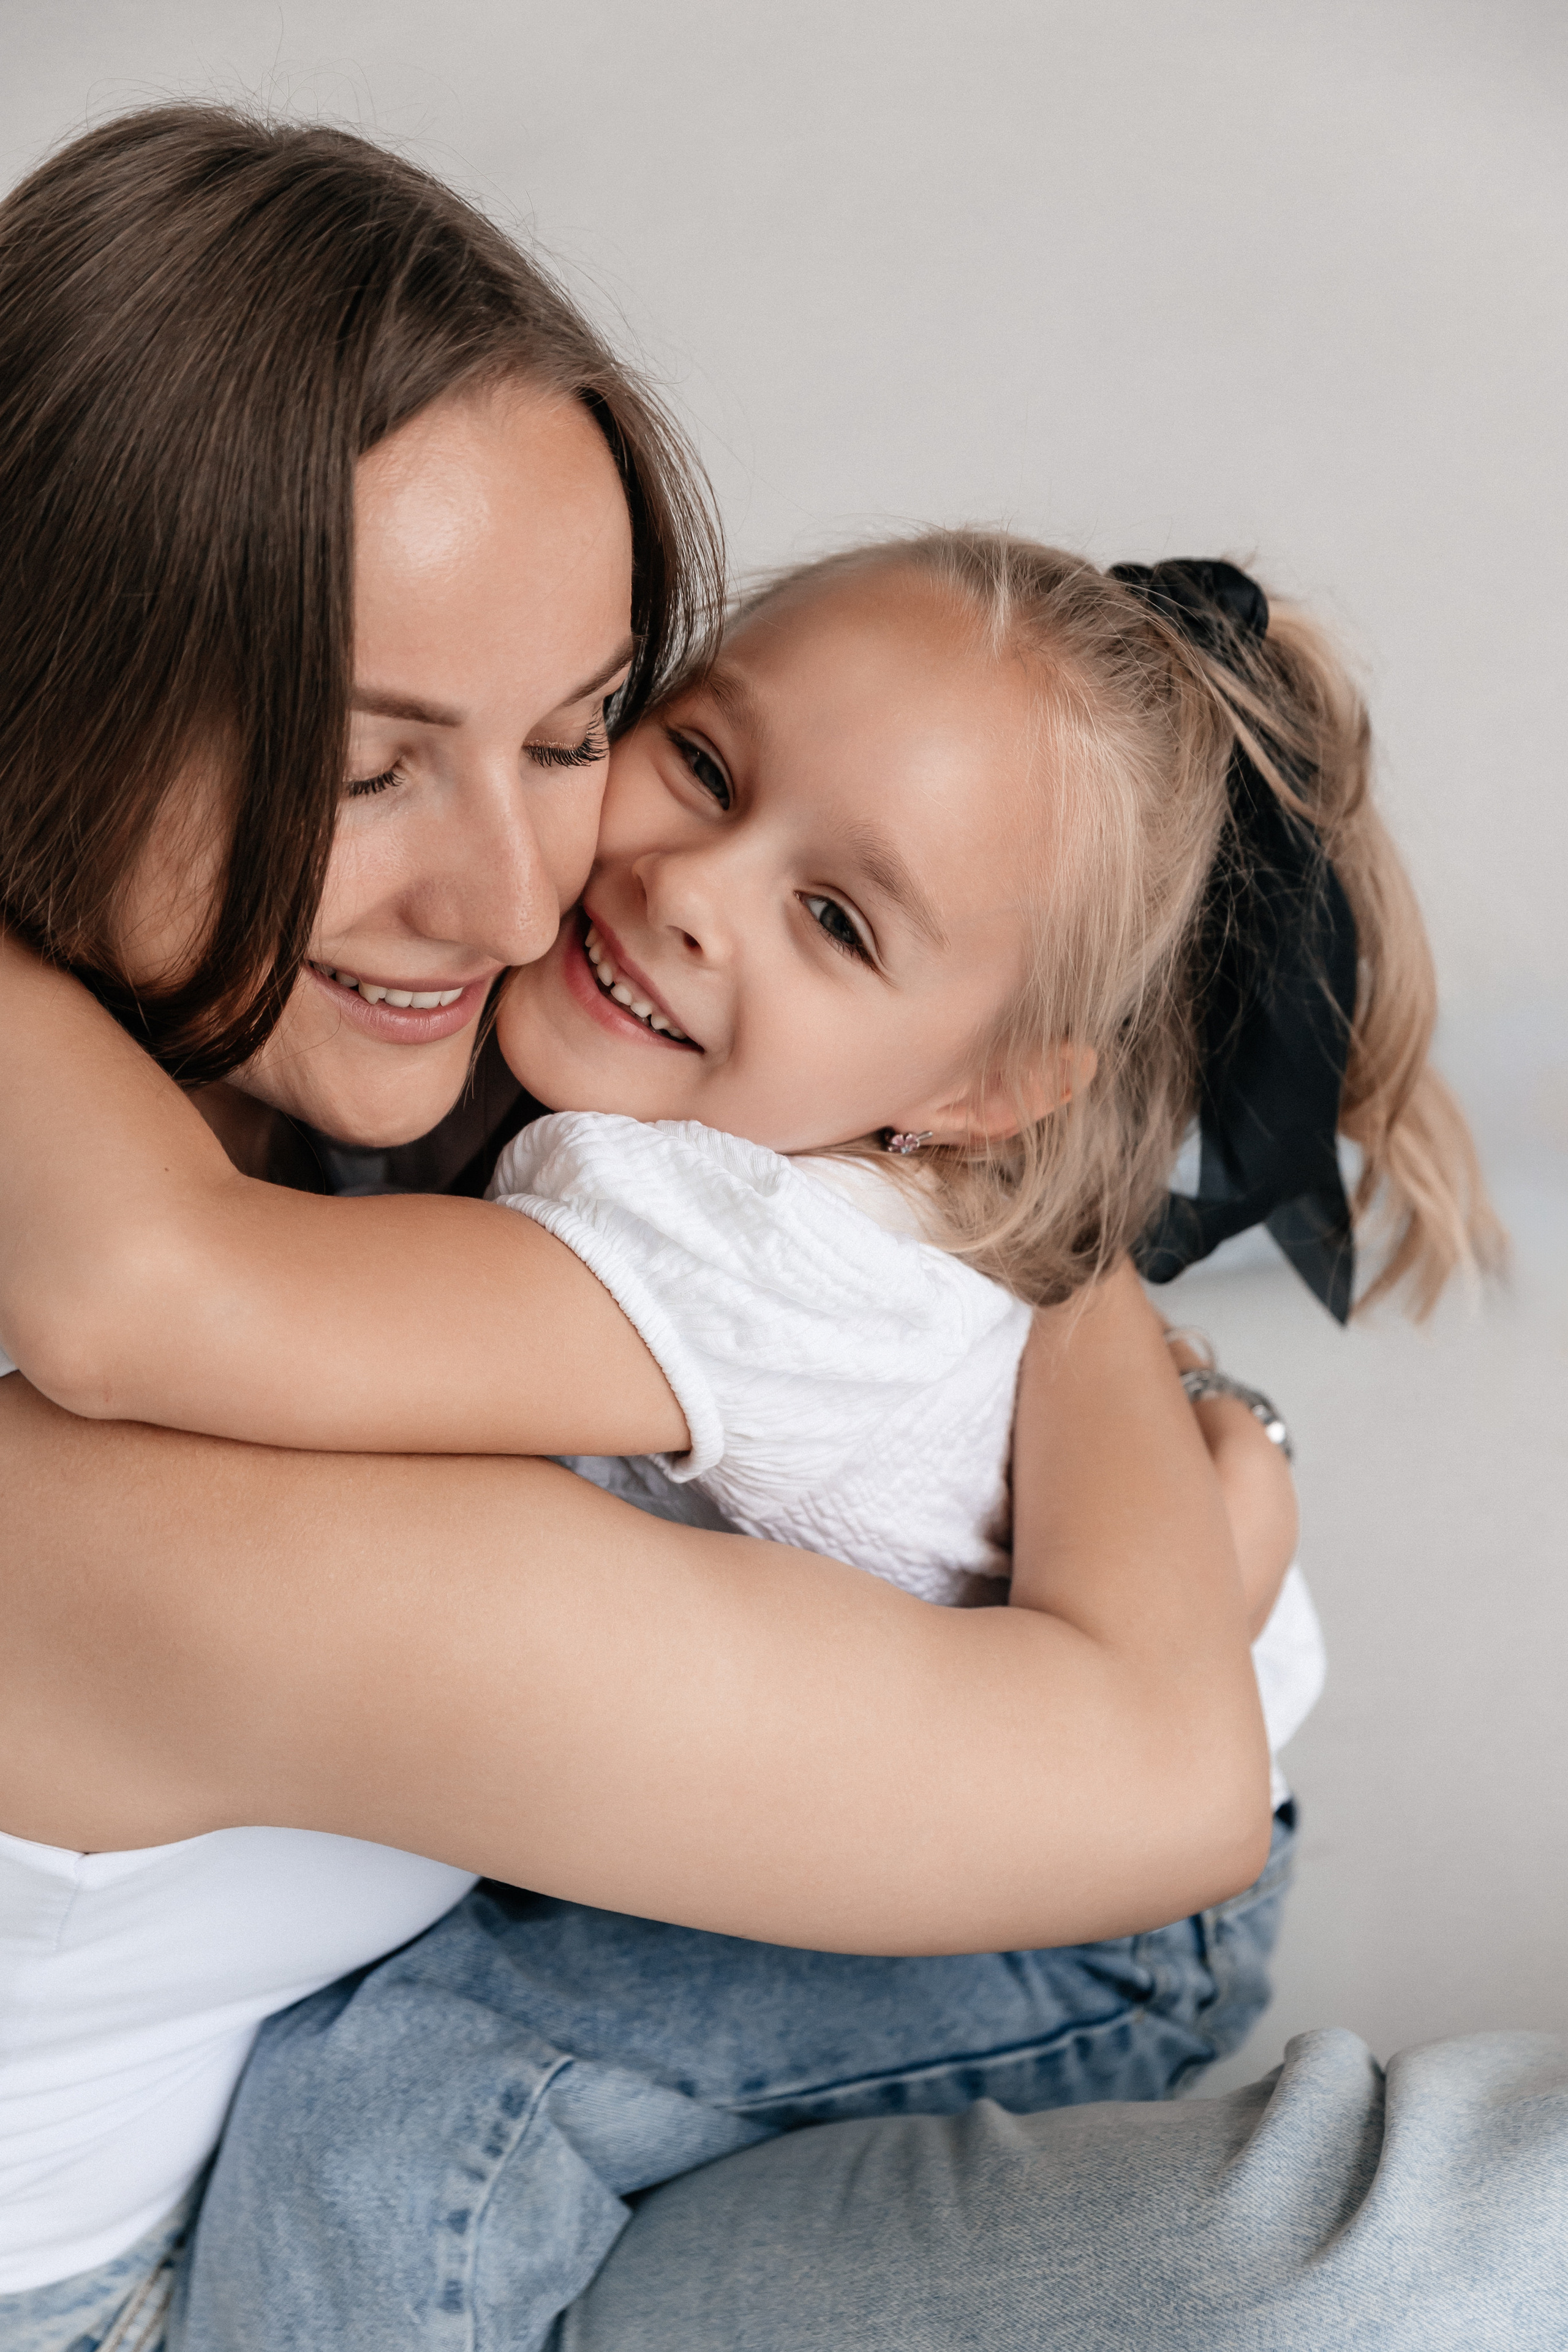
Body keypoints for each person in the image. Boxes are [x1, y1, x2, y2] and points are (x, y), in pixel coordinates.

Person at [0, 102, 1287, 2352]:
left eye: (586, 729)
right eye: (366, 759)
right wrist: (1072, 1292)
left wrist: (1045, 1277)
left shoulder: (490, 1112)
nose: (526, 898)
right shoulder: (126, 1492)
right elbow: (1147, 1765)